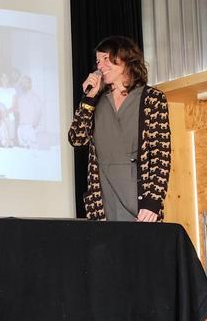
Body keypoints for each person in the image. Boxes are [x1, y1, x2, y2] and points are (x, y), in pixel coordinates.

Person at [68, 36, 171, 222]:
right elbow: (76, 138)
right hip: (103, 203)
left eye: (106, 59)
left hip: (139, 203)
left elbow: (161, 154)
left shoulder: (152, 99)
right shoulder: (96, 101)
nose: (100, 66)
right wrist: (88, 98)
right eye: (98, 61)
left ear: (125, 59)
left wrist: (153, 201)